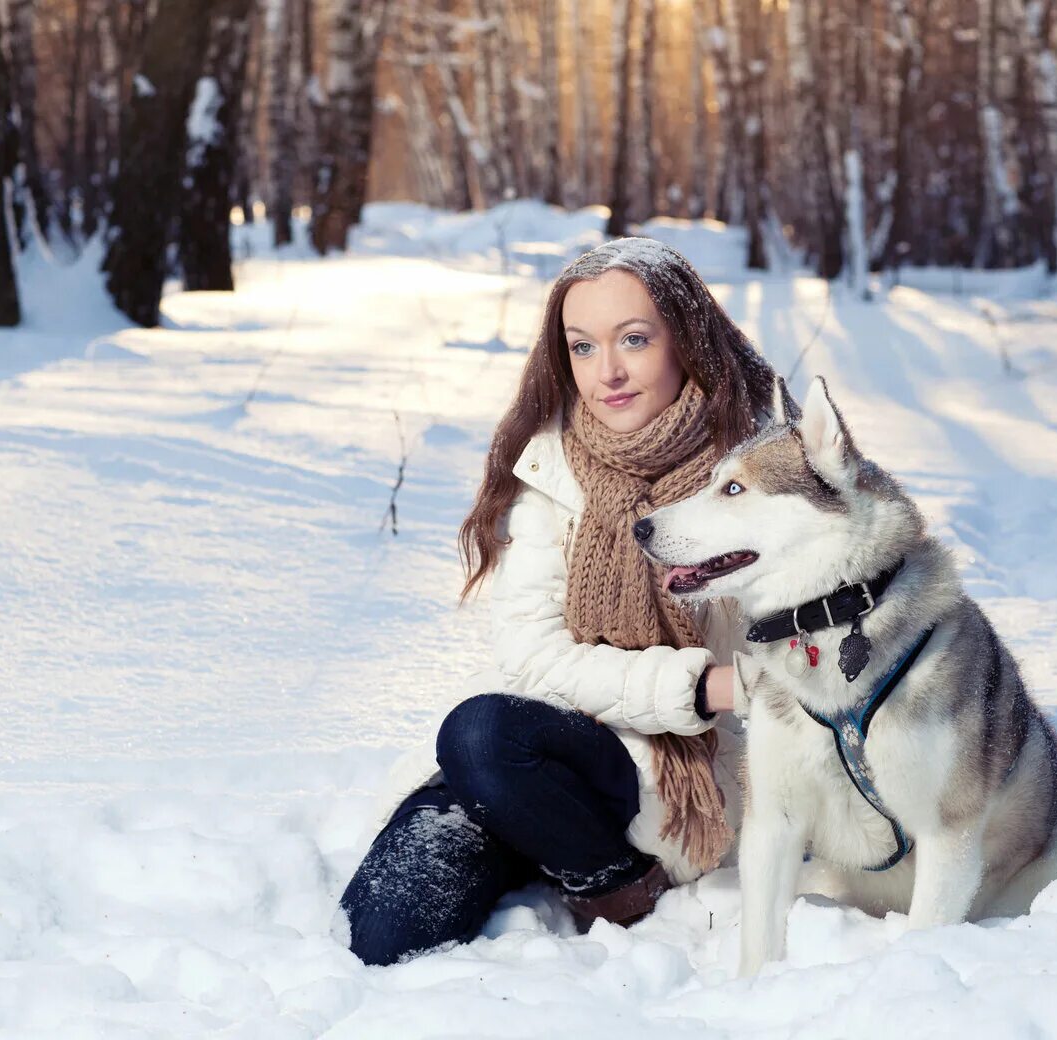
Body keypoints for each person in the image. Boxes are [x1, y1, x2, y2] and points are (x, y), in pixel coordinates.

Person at [337, 238, 789, 966]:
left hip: (676, 777)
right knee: (382, 935)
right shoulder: (551, 468)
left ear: (688, 338)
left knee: (481, 733)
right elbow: (533, 657)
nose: (606, 372)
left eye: (634, 340)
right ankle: (543, 835)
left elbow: (820, 641)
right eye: (582, 347)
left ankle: (618, 886)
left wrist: (736, 694)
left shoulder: (761, 471)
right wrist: (703, 685)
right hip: (550, 753)